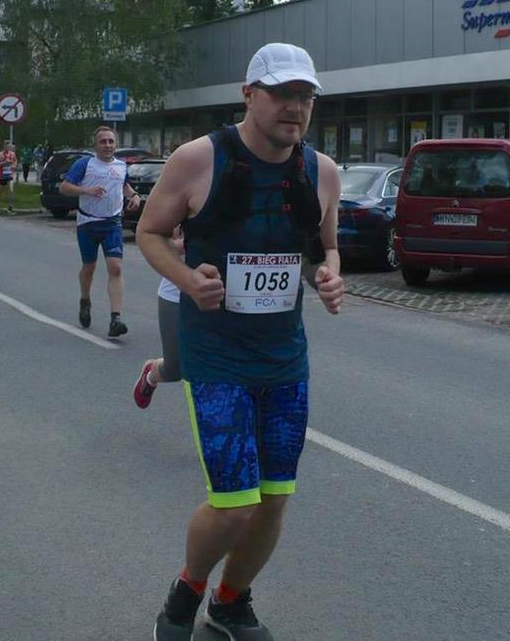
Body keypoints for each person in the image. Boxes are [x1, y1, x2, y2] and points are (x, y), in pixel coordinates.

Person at [135, 43, 343, 641]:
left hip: (284, 357)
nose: (294, 107)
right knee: (235, 501)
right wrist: (187, 280)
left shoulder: (321, 171)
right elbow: (150, 232)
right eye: (281, 94)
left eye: (304, 97)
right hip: (216, 353)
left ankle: (230, 603)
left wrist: (329, 275)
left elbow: (322, 249)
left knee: (274, 498)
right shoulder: (199, 159)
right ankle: (185, 595)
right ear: (249, 95)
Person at [59, 126, 141, 337]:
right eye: (103, 141)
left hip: (112, 223)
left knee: (116, 268)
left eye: (111, 141)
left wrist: (134, 196)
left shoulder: (121, 166)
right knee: (89, 267)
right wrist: (86, 190)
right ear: (95, 144)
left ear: (116, 144)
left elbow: (124, 185)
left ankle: (116, 319)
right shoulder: (85, 164)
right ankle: (85, 300)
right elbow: (64, 187)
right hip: (88, 223)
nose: (107, 145)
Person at [133, 228, 185, 409]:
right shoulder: (184, 209)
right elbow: (154, 238)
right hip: (178, 293)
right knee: (174, 369)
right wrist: (187, 245)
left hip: (230, 295)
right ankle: (150, 375)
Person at [0, 140, 17, 214]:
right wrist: (3, 163)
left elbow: (15, 161)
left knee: (11, 190)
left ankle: (10, 207)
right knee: (1, 192)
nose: (8, 147)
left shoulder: (12, 154)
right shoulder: (1, 154)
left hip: (10, 175)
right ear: (4, 146)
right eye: (7, 146)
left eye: (9, 146)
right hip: (2, 175)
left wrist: (14, 166)